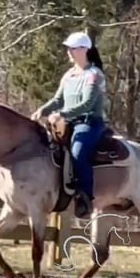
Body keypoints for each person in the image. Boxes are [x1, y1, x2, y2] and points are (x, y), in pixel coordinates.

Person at [32, 31, 108, 218]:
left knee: (78, 154)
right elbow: (58, 99)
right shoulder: (69, 75)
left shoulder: (94, 75)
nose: (68, 52)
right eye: (68, 48)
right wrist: (43, 110)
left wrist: (61, 114)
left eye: (72, 48)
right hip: (66, 123)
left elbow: (87, 105)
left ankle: (85, 197)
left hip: (89, 123)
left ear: (84, 50)